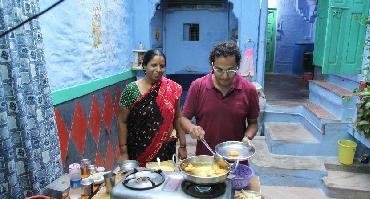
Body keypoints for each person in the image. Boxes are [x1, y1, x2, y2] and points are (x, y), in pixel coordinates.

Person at [180, 41, 260, 156]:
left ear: (237, 66)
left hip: (236, 159)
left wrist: (247, 138)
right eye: (219, 70)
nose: (224, 76)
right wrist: (192, 128)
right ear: (212, 65)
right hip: (206, 160)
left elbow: (253, 123)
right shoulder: (198, 86)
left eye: (230, 70)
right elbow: (184, 118)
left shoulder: (249, 90)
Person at [118, 49, 187, 166]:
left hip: (165, 149)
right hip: (137, 148)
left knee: (165, 180)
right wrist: (123, 151)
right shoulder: (131, 90)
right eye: (154, 65)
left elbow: (178, 118)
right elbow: (122, 122)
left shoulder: (171, 89)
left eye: (162, 66)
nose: (159, 70)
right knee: (140, 182)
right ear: (144, 66)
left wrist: (183, 146)